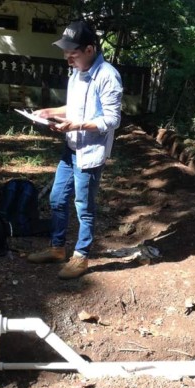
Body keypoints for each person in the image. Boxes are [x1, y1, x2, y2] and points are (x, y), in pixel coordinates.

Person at [27, 20, 123, 279]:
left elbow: (112, 119)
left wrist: (77, 125)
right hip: (71, 149)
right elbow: (75, 108)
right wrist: (50, 112)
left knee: (84, 206)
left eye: (73, 52)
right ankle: (57, 248)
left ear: (90, 49)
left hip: (90, 152)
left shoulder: (107, 76)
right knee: (57, 198)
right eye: (65, 51)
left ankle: (81, 257)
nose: (67, 57)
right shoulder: (76, 73)